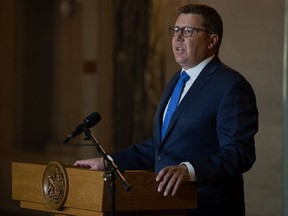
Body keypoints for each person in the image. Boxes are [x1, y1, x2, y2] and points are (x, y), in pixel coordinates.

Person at [74, 3, 258, 216]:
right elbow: (159, 148)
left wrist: (188, 170)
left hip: (207, 206)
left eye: (188, 31)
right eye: (176, 30)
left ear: (212, 40)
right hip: (165, 204)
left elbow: (239, 153)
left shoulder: (231, 86)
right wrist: (109, 163)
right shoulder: (176, 81)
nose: (178, 37)